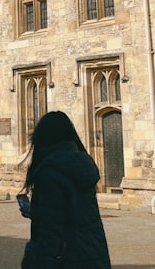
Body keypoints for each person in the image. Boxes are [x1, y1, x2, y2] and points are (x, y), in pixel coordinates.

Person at [20, 111, 110, 269]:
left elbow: (49, 235)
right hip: (93, 254)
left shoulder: (50, 172)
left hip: (68, 259)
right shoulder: (82, 165)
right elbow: (72, 212)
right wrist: (38, 211)